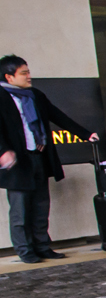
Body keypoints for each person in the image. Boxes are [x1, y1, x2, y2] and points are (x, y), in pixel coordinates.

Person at [0, 55, 99, 263]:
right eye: (24, 73)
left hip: (39, 157)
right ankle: (25, 251)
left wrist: (85, 134)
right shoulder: (1, 97)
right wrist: (3, 151)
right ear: (9, 77)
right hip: (17, 163)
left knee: (41, 206)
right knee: (20, 210)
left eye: (28, 71)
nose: (29, 76)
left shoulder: (34, 95)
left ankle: (43, 246)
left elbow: (57, 116)